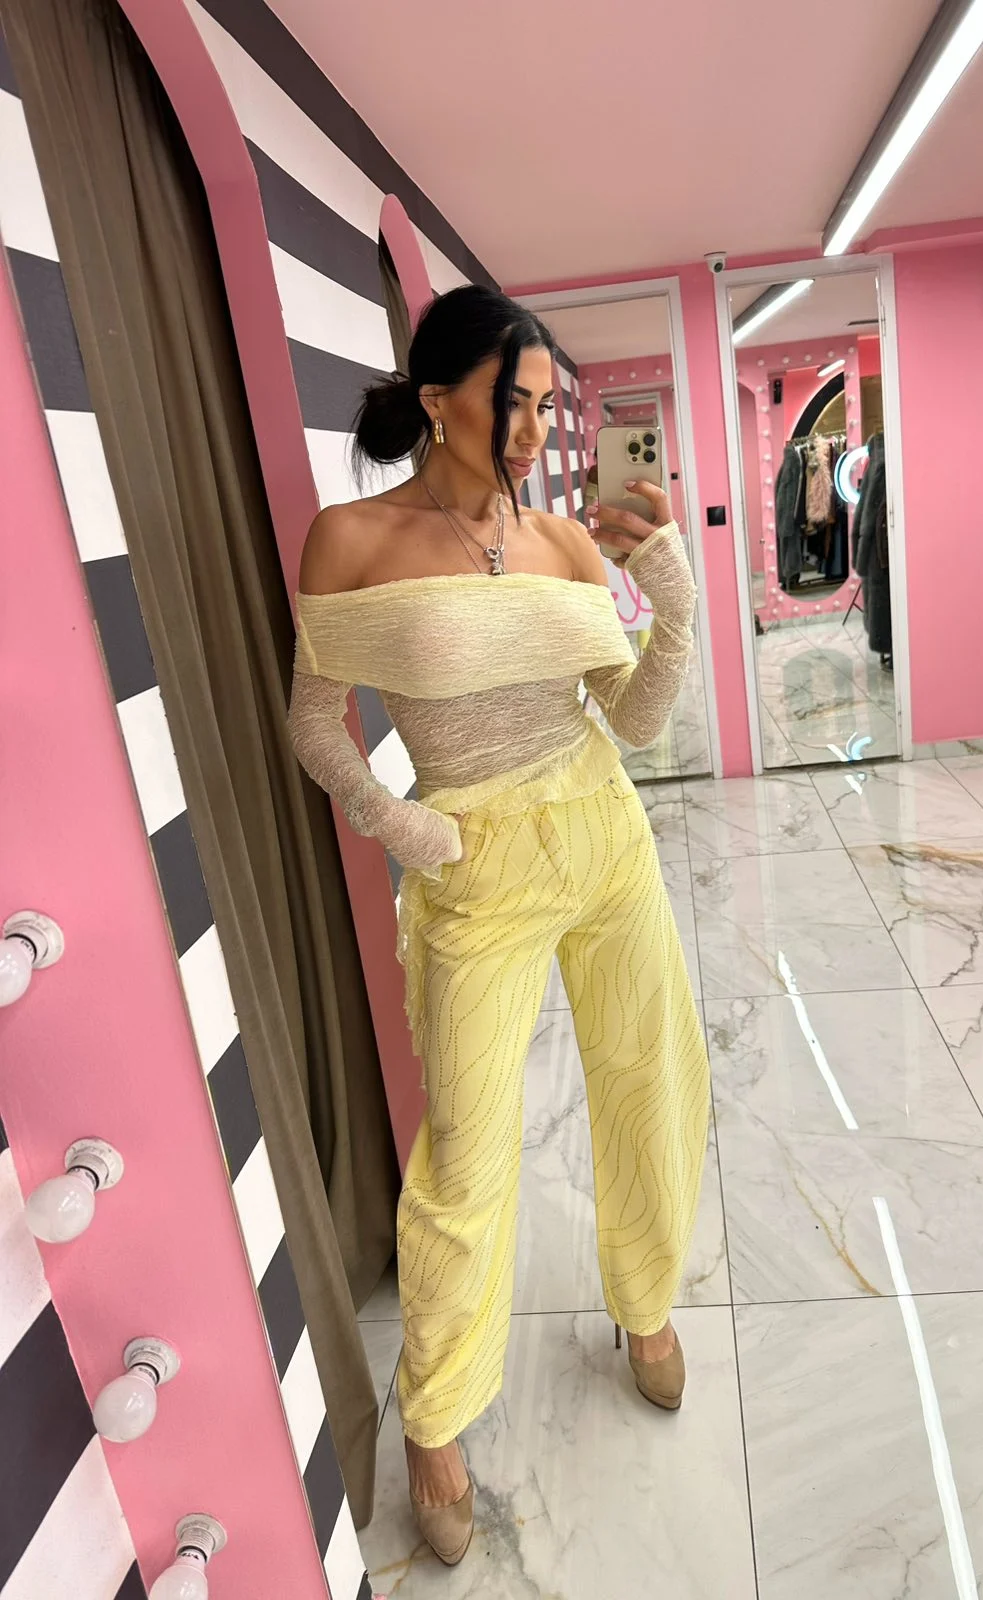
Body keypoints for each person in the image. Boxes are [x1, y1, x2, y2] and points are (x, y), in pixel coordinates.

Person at [287, 286, 710, 1566]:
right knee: (470, 1149)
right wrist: (398, 822)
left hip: (603, 833)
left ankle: (644, 1298)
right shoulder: (352, 539)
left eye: (541, 405)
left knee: (649, 1078)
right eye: (507, 403)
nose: (532, 430)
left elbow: (635, 723)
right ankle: (436, 1416)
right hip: (471, 862)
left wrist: (673, 600)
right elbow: (313, 719)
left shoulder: (566, 543)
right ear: (436, 400)